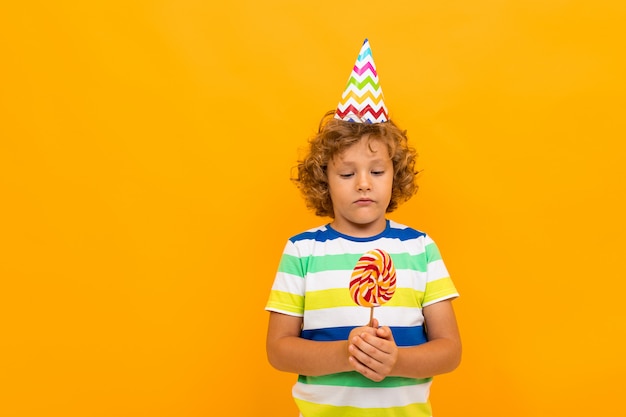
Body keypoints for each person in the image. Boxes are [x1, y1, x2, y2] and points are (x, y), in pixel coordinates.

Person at [265, 39, 461, 417]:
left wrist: (395, 361)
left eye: (376, 171)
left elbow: (450, 350)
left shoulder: (419, 248)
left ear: (395, 175)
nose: (363, 184)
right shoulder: (303, 251)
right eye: (346, 172)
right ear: (324, 179)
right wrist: (345, 353)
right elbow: (278, 349)